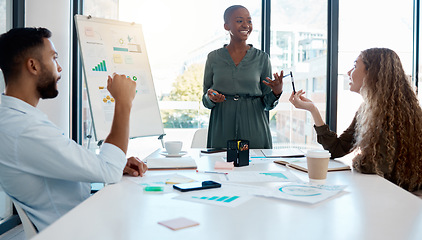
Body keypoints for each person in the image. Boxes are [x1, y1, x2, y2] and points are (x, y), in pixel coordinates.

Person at [0, 27, 148, 231]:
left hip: (79, 218)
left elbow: (67, 159)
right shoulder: (24, 129)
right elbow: (110, 171)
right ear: (33, 65)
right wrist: (123, 101)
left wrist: (110, 162)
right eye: (54, 58)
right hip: (77, 229)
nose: (59, 68)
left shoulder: (13, 119)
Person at [289, 47, 422, 192]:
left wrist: (358, 160)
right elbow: (337, 149)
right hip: (381, 193)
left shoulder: (394, 114)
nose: (348, 73)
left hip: (399, 198)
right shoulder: (366, 109)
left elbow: (374, 167)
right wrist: (313, 109)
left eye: (354, 66)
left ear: (371, 73)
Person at [202, 5, 284, 149]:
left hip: (255, 126)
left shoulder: (262, 58)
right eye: (239, 21)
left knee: (256, 168)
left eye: (249, 21)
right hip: (221, 126)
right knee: (220, 168)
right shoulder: (213, 57)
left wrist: (276, 92)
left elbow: (267, 104)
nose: (246, 25)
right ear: (226, 26)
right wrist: (211, 97)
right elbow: (206, 99)